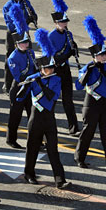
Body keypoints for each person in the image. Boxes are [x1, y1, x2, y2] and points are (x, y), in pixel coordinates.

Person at [22, 28, 71, 189]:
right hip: (35, 117)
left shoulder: (56, 80)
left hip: (49, 117)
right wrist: (25, 84)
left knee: (52, 148)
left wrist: (40, 82)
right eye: (48, 68)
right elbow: (18, 97)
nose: (51, 70)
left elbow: (51, 96)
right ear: (42, 69)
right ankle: (29, 173)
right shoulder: (33, 79)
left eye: (51, 68)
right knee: (32, 147)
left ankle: (60, 179)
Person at [74, 15, 106, 174]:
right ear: (94, 56)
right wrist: (89, 71)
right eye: (101, 55)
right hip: (90, 103)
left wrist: (103, 71)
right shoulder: (86, 68)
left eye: (105, 54)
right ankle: (79, 158)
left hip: (104, 104)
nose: (104, 57)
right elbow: (79, 86)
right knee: (88, 132)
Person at [47, 0, 79, 136]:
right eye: (61, 22)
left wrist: (75, 50)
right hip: (55, 70)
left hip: (65, 69)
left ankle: (74, 127)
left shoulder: (68, 33)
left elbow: (72, 46)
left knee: (68, 100)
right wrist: (68, 54)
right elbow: (56, 57)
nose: (64, 24)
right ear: (56, 23)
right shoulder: (51, 37)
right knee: (52, 100)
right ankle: (48, 126)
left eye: (65, 22)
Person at [6, 3, 35, 149]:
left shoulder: (30, 53)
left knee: (33, 115)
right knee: (15, 117)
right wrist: (32, 76)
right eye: (23, 43)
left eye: (26, 42)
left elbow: (35, 65)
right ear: (17, 43)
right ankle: (11, 139)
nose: (25, 44)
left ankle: (35, 140)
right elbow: (18, 77)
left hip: (30, 87)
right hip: (19, 88)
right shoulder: (12, 57)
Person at [2, 0, 37, 95]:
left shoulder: (26, 3)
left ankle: (30, 81)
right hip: (13, 34)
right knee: (10, 57)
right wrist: (23, 21)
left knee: (29, 55)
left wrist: (32, 17)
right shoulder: (8, 6)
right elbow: (10, 23)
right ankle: (7, 85)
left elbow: (34, 15)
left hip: (25, 33)